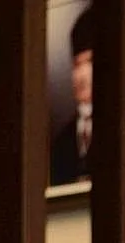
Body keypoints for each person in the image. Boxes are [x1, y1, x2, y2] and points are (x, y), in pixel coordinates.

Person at [49, 4, 93, 186]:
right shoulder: (60, 142)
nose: (81, 75)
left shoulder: (122, 128)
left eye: (89, 62)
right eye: (76, 65)